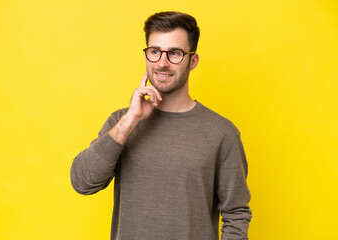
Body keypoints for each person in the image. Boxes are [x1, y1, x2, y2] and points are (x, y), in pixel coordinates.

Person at [71, 11, 252, 240]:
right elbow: (82, 182)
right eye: (155, 52)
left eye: (174, 53)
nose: (162, 63)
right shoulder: (122, 122)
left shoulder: (222, 133)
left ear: (192, 61)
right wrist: (130, 120)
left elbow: (236, 214)